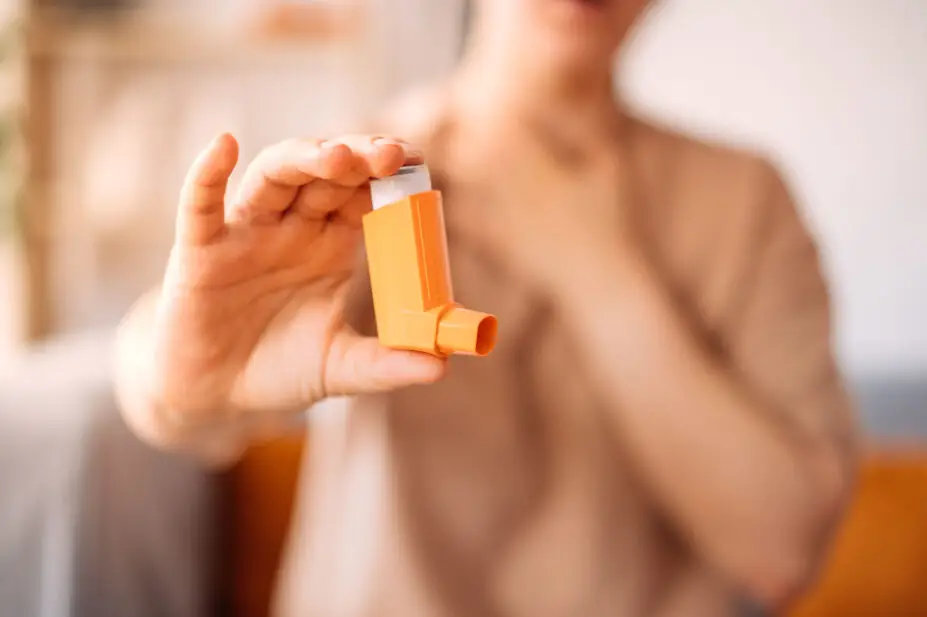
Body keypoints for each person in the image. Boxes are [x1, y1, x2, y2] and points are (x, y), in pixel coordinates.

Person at [114, 0, 859, 615]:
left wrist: (597, 270)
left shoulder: (745, 203)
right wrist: (180, 378)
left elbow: (784, 550)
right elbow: (171, 398)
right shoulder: (349, 175)